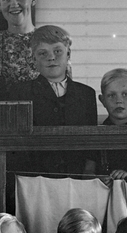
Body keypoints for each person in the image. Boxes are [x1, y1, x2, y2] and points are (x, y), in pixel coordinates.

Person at [7, 25, 97, 176]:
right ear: (33, 59)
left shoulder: (86, 94)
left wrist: (89, 170)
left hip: (76, 174)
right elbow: (16, 144)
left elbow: (92, 140)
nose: (51, 58)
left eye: (57, 51)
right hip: (35, 176)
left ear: (68, 54)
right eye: (43, 53)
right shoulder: (20, 93)